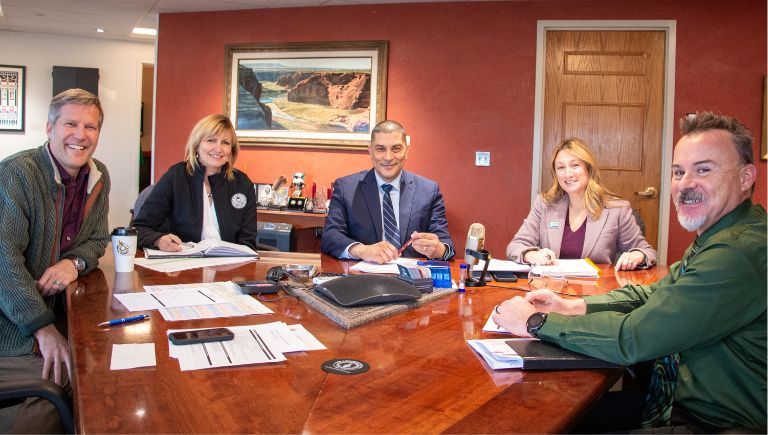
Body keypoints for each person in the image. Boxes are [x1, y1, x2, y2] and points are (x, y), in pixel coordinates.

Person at [493, 112, 765, 432]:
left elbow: (633, 337)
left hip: (714, 420)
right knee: (545, 414)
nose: (686, 184)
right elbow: (653, 292)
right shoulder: (719, 235)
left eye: (704, 169)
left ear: (746, 177)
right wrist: (574, 305)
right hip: (680, 398)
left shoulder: (735, 252)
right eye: (678, 172)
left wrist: (535, 322)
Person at [0, 88, 110, 432]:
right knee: (71, 378)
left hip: (62, 314)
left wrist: (73, 263)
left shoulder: (98, 176)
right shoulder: (18, 173)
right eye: (71, 124)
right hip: (13, 329)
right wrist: (43, 328)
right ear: (50, 128)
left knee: (100, 367)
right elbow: (4, 261)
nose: (81, 135)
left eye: (90, 127)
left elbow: (97, 239)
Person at [507, 138, 656, 270]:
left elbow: (647, 252)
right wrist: (532, 255)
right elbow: (515, 246)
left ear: (588, 169)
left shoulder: (617, 209)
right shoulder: (544, 205)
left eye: (574, 165)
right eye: (561, 167)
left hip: (595, 293)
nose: (568, 174)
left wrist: (637, 255)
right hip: (551, 288)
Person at [322, 120, 455, 264]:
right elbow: (330, 236)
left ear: (406, 151)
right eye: (380, 149)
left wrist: (439, 249)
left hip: (412, 281)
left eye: (396, 149)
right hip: (363, 279)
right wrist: (362, 250)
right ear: (370, 151)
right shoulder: (346, 188)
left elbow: (446, 245)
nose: (388, 157)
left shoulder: (429, 190)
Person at [133, 114, 258, 251]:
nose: (218, 148)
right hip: (183, 265)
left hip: (228, 266)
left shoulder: (243, 184)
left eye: (225, 143)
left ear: (231, 150)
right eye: (211, 140)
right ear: (197, 145)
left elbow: (248, 244)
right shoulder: (176, 177)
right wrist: (157, 240)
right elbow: (138, 229)